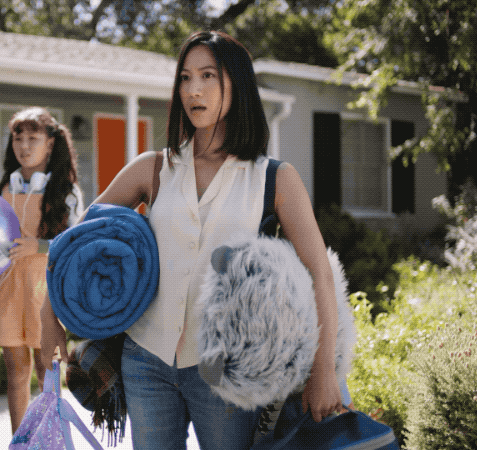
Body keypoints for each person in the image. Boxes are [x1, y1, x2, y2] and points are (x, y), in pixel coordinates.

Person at [40, 31, 344, 449]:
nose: (193, 90)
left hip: (224, 371)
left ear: (236, 86)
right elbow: (74, 247)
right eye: (185, 77)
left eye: (207, 76)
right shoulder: (152, 169)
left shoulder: (274, 178)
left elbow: (320, 275)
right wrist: (48, 317)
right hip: (146, 359)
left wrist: (322, 371)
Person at [0, 107, 84, 434]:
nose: (24, 146)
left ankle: (50, 440)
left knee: (47, 373)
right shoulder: (5, 186)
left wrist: (39, 246)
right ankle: (20, 441)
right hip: (7, 290)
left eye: (33, 138)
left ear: (51, 144)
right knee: (16, 373)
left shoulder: (66, 192)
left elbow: (77, 243)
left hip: (45, 293)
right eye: (18, 138)